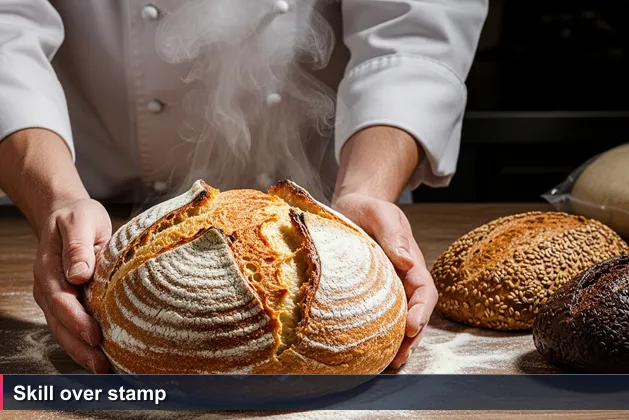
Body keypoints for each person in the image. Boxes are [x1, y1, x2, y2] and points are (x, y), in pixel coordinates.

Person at [0, 0, 487, 374]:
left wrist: (368, 190)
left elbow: (414, 29)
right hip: (88, 185)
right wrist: (57, 198)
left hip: (339, 205)